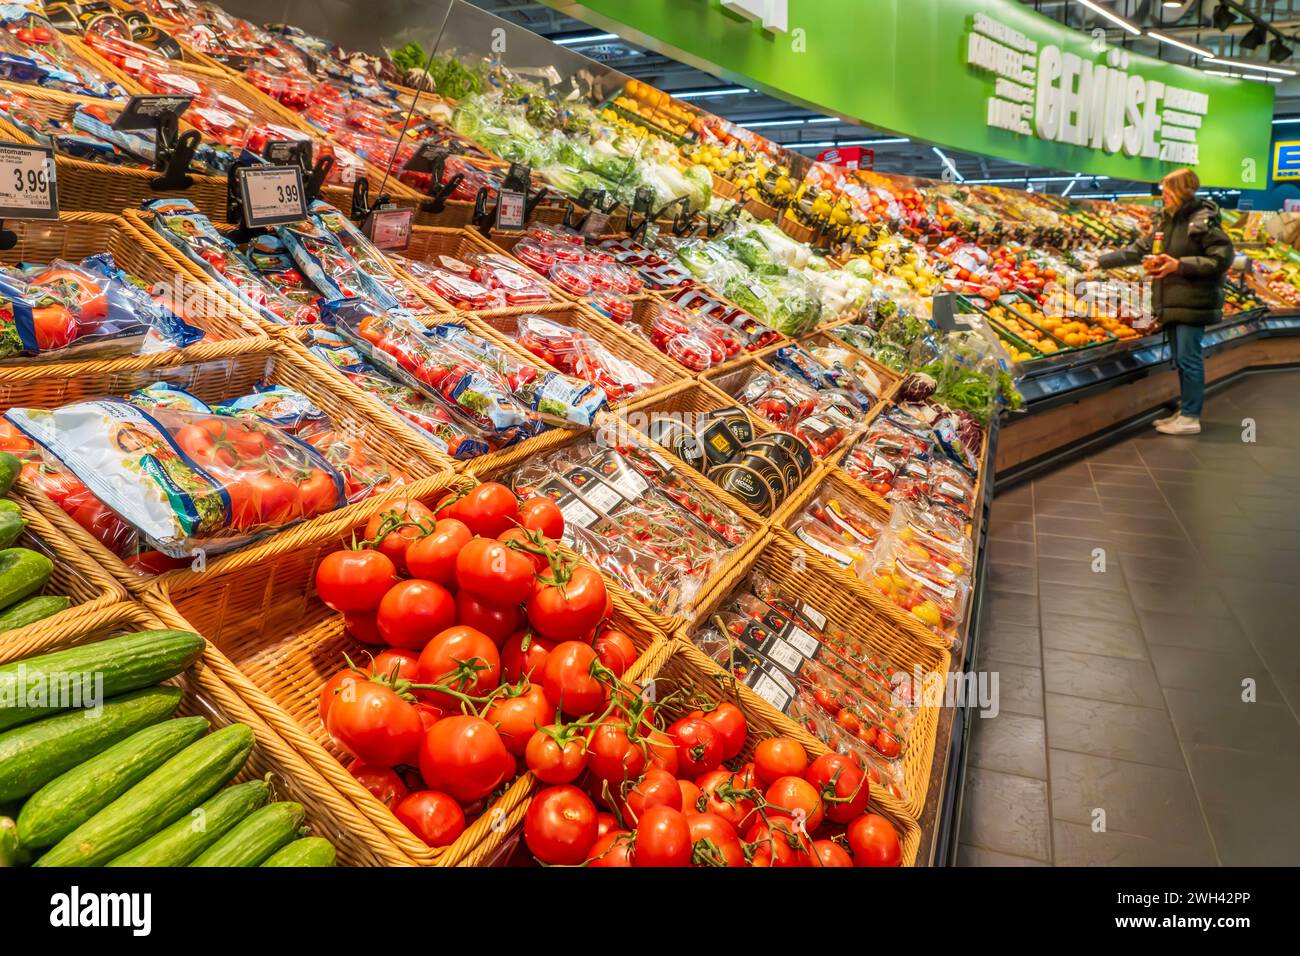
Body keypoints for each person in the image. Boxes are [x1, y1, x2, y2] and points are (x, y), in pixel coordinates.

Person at [1083, 168, 1234, 435]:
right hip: (1172, 299)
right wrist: (1101, 261)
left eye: (1167, 189)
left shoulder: (1202, 220)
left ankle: (1190, 417)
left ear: (1182, 190)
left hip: (1193, 300)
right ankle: (1186, 410)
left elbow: (1221, 259)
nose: (1162, 193)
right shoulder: (1167, 220)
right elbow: (1141, 249)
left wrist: (1179, 265)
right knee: (1180, 357)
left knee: (1189, 358)